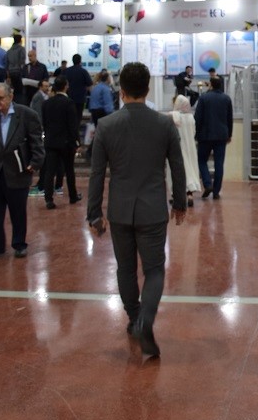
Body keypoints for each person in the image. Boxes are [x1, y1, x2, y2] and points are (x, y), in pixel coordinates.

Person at [86, 62, 187, 359]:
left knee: (125, 268)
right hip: (153, 209)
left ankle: (134, 318)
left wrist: (94, 213)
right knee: (154, 270)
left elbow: (96, 174)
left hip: (119, 210)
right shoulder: (164, 124)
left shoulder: (106, 125)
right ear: (147, 89)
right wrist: (179, 203)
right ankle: (145, 321)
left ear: (121, 92)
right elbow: (177, 167)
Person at [0, 83, 44, 259]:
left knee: (17, 212)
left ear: (10, 97)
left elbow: (36, 142)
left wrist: (35, 163)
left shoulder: (27, 114)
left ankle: (19, 244)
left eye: (0, 98)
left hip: (17, 171)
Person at [41, 76, 81, 210]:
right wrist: (77, 142)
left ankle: (48, 199)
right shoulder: (69, 103)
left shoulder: (46, 103)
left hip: (50, 141)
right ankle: (73, 196)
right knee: (69, 170)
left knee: (49, 171)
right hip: (66, 142)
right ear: (65, 86)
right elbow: (73, 125)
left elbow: (44, 123)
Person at [194, 76, 233, 200]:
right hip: (221, 136)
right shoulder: (226, 99)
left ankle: (207, 184)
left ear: (210, 84)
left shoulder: (203, 98)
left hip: (205, 136)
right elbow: (229, 118)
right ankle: (216, 191)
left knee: (201, 160)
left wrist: (196, 134)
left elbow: (198, 118)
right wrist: (229, 134)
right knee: (219, 163)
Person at [168, 94, 202, 207]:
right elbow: (194, 132)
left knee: (176, 170)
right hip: (190, 147)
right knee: (190, 169)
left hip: (177, 147)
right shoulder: (191, 117)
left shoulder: (173, 115)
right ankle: (190, 195)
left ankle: (176, 196)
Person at [64, 54, 92, 127]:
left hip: (68, 97)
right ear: (80, 61)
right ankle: (76, 130)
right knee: (78, 116)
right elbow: (89, 83)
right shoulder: (83, 71)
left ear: (72, 61)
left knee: (69, 116)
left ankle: (70, 130)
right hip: (80, 98)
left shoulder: (67, 71)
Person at [6, 34, 27, 104]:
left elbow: (7, 63)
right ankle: (20, 105)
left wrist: (8, 75)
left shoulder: (9, 51)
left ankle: (14, 104)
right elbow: (22, 61)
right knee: (20, 91)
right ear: (20, 40)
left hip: (11, 72)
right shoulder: (21, 49)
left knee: (14, 90)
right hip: (19, 72)